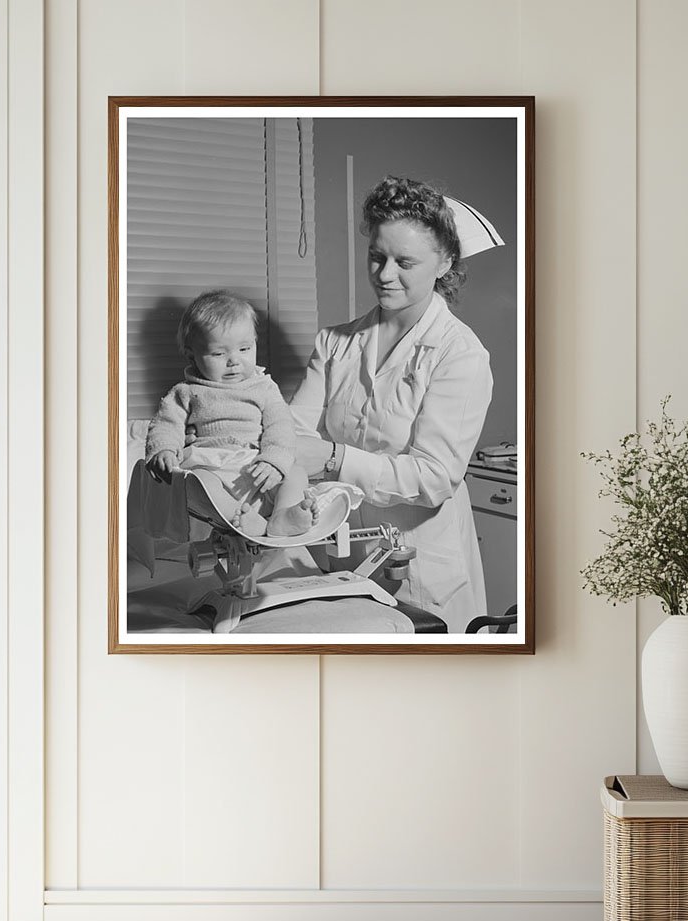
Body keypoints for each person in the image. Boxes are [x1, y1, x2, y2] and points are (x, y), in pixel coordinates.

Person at [290, 175, 497, 631]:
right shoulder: (336, 342)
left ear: (444, 263)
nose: (384, 274)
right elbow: (294, 435)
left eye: (404, 261)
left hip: (422, 567)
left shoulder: (458, 353)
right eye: (376, 257)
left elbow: (435, 477)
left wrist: (333, 457)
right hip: (340, 552)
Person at [145, 290, 317, 538]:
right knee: (196, 484)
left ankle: (282, 516)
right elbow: (165, 425)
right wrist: (164, 450)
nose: (234, 361)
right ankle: (243, 519)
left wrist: (273, 460)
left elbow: (281, 426)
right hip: (212, 466)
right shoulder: (186, 392)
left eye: (245, 349)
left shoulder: (265, 388)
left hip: (256, 467)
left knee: (296, 473)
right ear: (191, 355)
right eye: (218, 353)